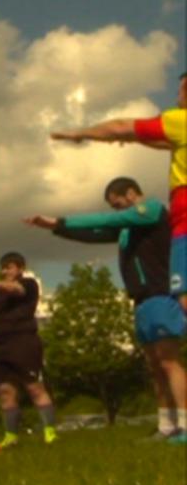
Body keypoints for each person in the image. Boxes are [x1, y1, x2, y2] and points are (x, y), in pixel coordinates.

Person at [25, 177, 187, 444]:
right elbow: (94, 234)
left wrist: (60, 220)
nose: (117, 211)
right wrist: (56, 229)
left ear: (133, 193)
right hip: (141, 300)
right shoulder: (127, 228)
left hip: (159, 294)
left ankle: (183, 424)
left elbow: (102, 221)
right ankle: (166, 426)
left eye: (118, 204)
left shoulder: (153, 210)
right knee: (155, 367)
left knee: (169, 361)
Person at [51, 72, 186, 314]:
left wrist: (81, 133)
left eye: (181, 90)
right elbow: (165, 142)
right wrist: (57, 227)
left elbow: (121, 126)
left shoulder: (181, 120)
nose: (177, 97)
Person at [0, 252, 58, 447]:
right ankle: (11, 436)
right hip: (0, 345)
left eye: (9, 267)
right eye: (3, 268)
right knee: (5, 390)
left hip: (24, 341)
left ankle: (50, 432)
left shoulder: (28, 284)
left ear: (20, 268)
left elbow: (10, 288)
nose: (5, 271)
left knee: (34, 386)